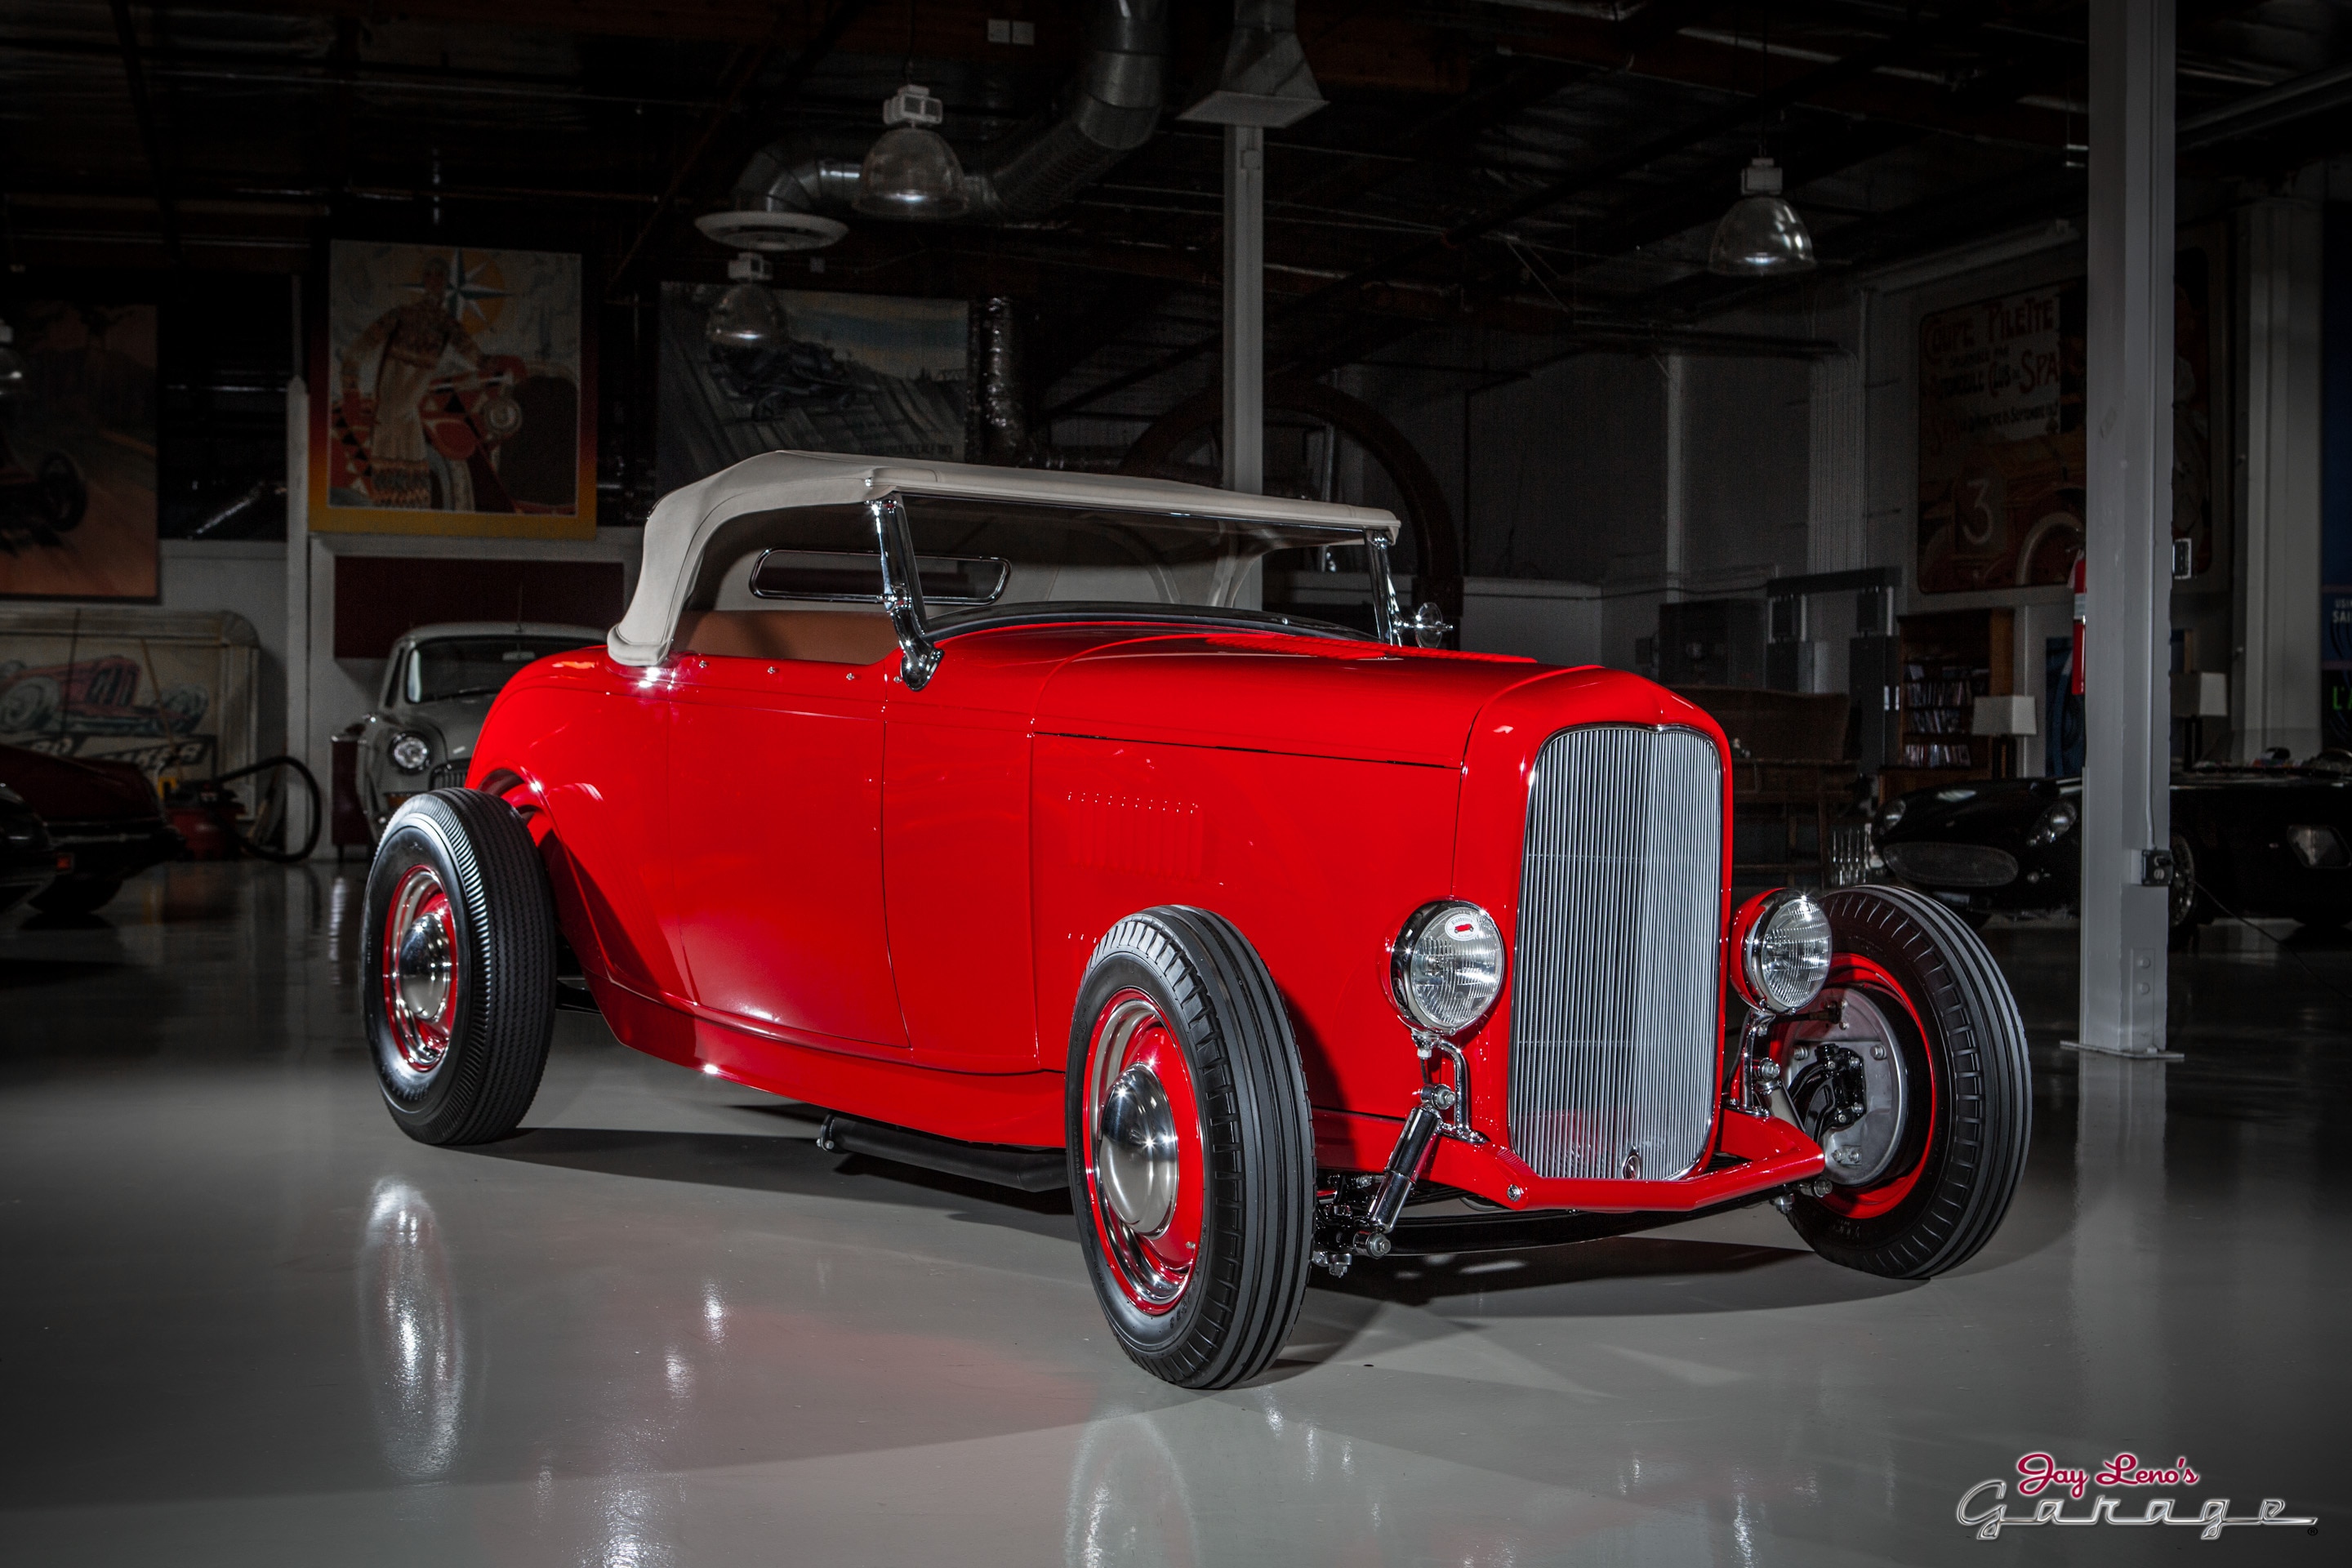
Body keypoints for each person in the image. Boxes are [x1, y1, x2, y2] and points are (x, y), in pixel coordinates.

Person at [339, 255, 483, 509]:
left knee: (409, 485)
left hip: (405, 411)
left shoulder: (446, 324)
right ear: (424, 280)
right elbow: (357, 351)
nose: (435, 281)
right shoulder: (403, 314)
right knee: (391, 480)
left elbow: (475, 355)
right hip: (391, 405)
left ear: (446, 283)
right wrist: (352, 392)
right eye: (430, 275)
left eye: (440, 276)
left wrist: (497, 364)